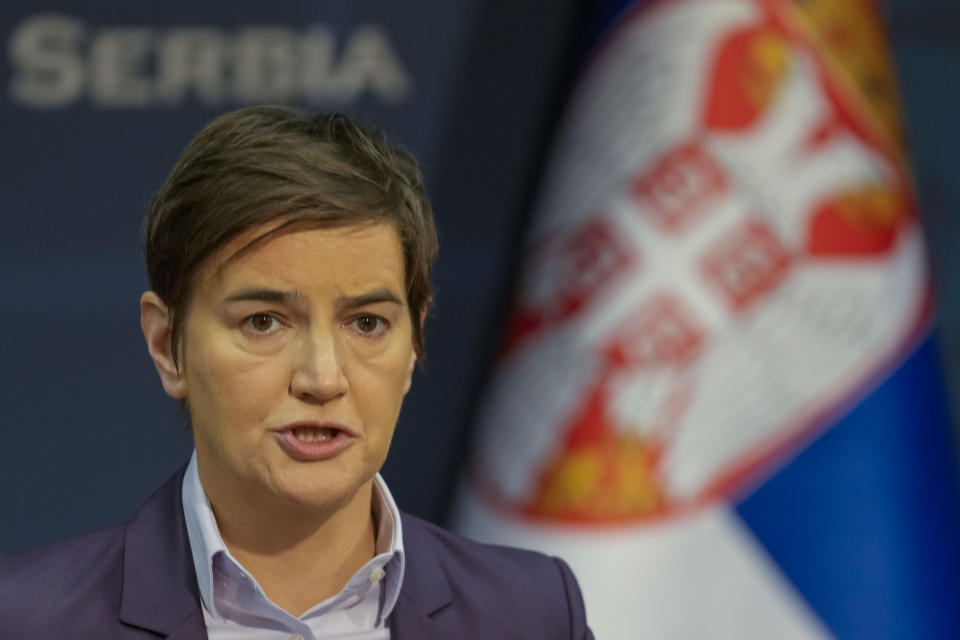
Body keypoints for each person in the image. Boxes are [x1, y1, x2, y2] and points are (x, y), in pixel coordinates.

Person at [0, 106, 593, 639]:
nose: (322, 378)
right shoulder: (29, 619)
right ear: (166, 346)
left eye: (366, 323)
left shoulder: (531, 613)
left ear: (415, 341)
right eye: (264, 321)